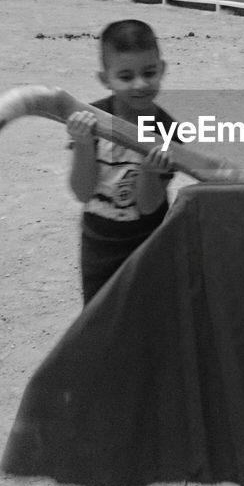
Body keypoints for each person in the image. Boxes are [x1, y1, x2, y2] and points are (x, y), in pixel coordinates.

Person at [66, 19, 177, 305]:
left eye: (149, 73)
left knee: (148, 316)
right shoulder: (91, 119)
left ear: (162, 70)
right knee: (100, 317)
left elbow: (149, 206)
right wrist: (82, 144)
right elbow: (82, 192)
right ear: (105, 79)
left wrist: (150, 171)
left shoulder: (167, 130)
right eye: (126, 77)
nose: (140, 84)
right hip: (99, 243)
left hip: (148, 243)